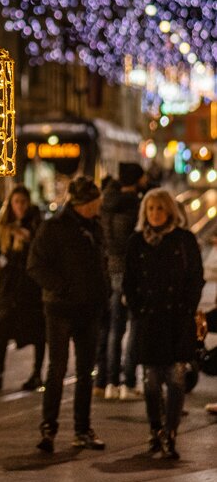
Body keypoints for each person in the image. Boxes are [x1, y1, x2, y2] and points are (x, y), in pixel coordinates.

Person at [27, 176, 109, 453]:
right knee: (57, 369)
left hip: (90, 308)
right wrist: (62, 287)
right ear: (84, 204)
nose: (99, 205)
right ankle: (49, 428)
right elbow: (35, 266)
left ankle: (82, 428)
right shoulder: (54, 228)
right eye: (95, 201)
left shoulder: (96, 227)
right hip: (60, 308)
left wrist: (103, 293)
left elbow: (102, 263)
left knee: (86, 371)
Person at [123, 188, 204, 460]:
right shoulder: (136, 242)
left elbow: (196, 277)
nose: (155, 214)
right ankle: (155, 428)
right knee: (151, 380)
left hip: (176, 320)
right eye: (151, 209)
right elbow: (129, 281)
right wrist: (138, 309)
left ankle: (170, 432)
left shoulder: (184, 240)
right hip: (149, 319)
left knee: (176, 377)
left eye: (160, 208)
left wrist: (188, 307)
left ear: (170, 211)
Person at [0, 185, 44, 391]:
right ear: (11, 204)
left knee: (37, 332)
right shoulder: (4, 227)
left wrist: (29, 240)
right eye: (16, 202)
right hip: (8, 288)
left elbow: (44, 251)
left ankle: (37, 373)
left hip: (30, 288)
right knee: (2, 329)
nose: (20, 206)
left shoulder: (37, 224)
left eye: (23, 202)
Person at [100, 162, 147, 401]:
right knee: (135, 326)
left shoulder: (107, 202)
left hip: (111, 269)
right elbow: (137, 240)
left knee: (113, 329)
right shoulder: (132, 205)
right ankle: (128, 381)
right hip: (129, 272)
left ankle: (110, 382)